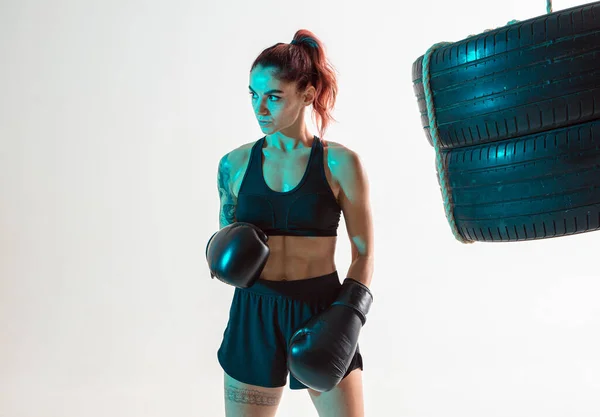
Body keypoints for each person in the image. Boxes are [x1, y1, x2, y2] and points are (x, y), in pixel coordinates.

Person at [207, 29, 375, 417]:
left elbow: (364, 252)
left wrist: (348, 316)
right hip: (253, 311)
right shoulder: (234, 165)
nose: (260, 108)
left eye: (273, 96)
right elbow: (223, 242)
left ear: (307, 94)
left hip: (322, 308)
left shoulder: (339, 163)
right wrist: (219, 253)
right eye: (253, 95)